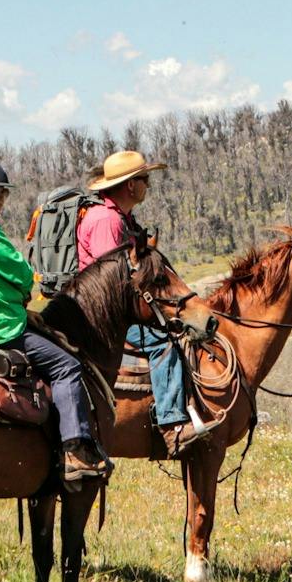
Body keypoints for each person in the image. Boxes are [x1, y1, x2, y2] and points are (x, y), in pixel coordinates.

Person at [0, 156, 113, 485]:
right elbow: (19, 272)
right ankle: (75, 451)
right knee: (66, 367)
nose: (0, 199)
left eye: (3, 193)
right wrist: (22, 291)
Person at [78, 149, 218, 458]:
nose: (148, 185)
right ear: (130, 185)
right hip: (104, 316)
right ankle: (172, 427)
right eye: (145, 179)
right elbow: (113, 282)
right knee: (163, 345)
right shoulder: (106, 220)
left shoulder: (122, 217)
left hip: (119, 310)